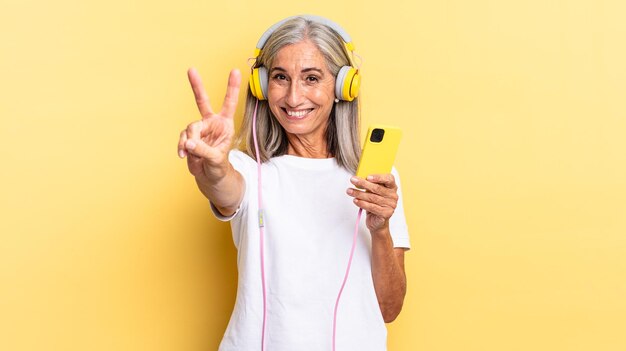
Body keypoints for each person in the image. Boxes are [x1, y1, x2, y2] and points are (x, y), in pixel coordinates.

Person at [177, 15, 410, 351]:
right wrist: (212, 168)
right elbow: (224, 186)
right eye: (280, 78)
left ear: (344, 86)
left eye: (311, 78)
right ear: (261, 86)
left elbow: (388, 309)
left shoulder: (377, 182)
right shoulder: (249, 169)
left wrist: (381, 229)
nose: (293, 96)